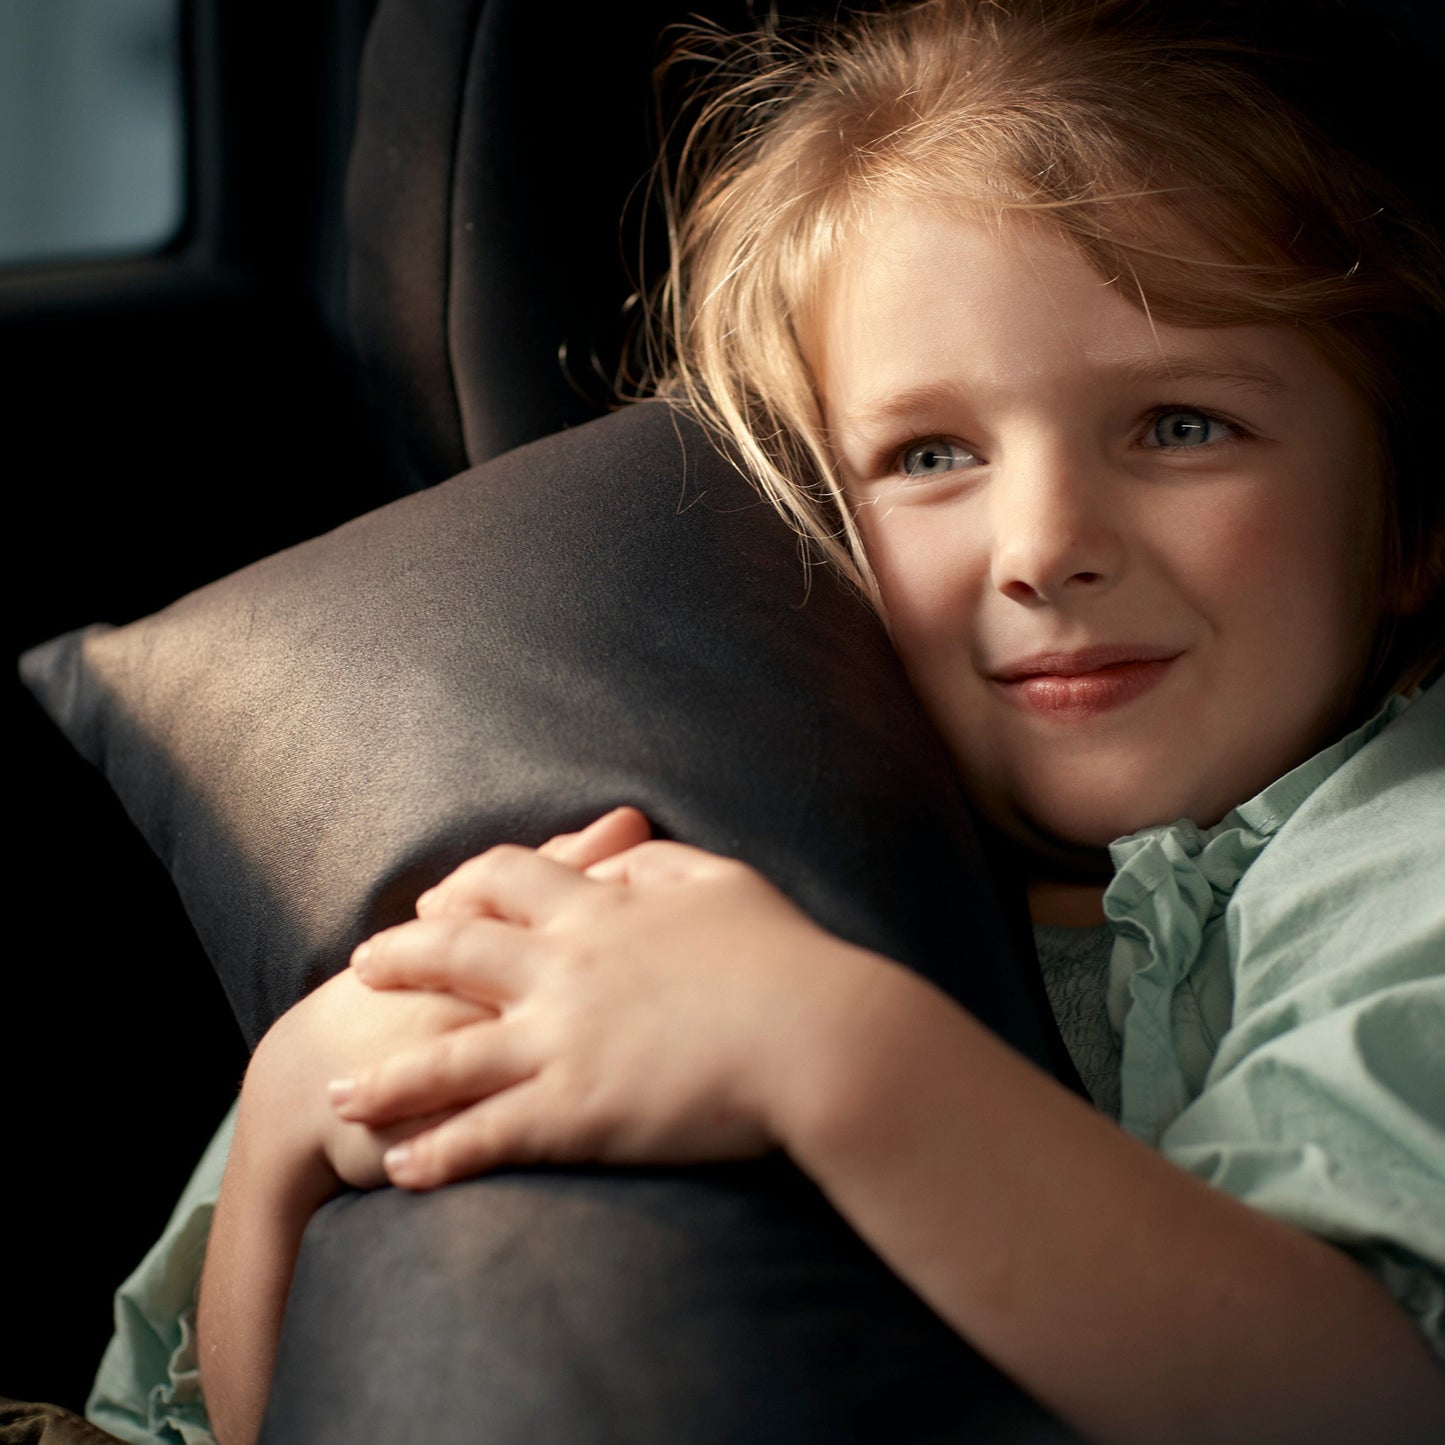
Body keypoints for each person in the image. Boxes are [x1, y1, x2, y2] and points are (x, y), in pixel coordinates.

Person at [193, 1, 1445, 1441]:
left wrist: (826, 1049)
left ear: (1408, 512)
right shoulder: (699, 802)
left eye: (1177, 423)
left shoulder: (1402, 861)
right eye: (927, 454)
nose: (1040, 545)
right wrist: (300, 1097)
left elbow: (1363, 1396)